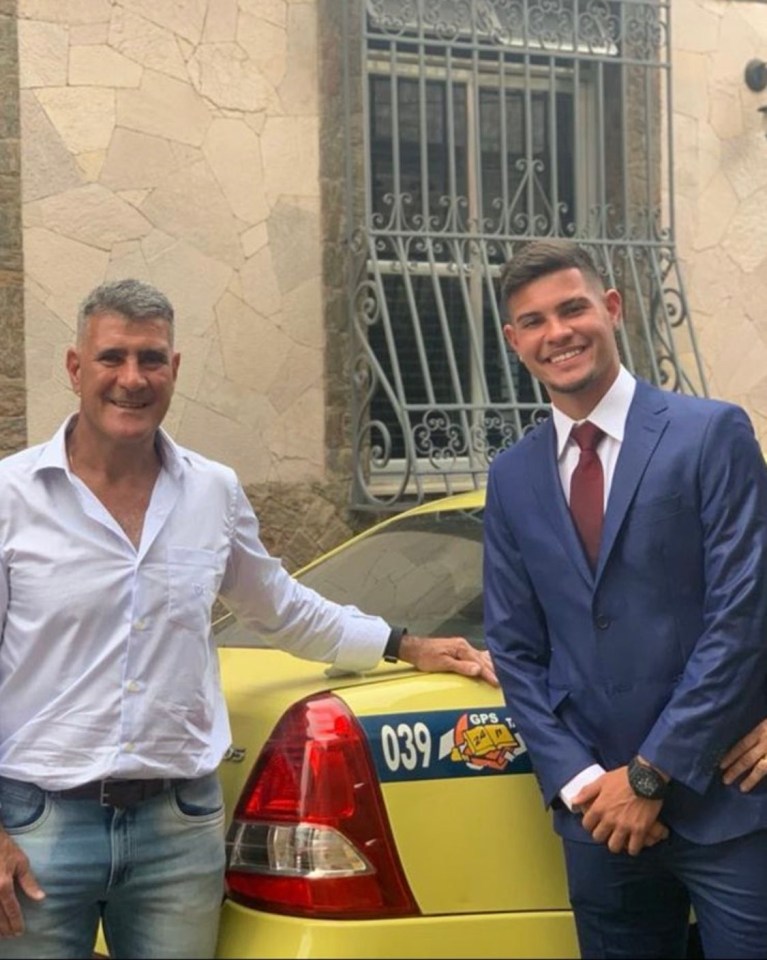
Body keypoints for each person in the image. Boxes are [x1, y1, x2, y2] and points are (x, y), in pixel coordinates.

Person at [0, 278, 497, 960]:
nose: (131, 379)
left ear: (174, 370)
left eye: (151, 359)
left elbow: (283, 609)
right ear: (74, 367)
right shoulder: (11, 497)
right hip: (38, 824)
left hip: (176, 830)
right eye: (112, 357)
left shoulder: (212, 491)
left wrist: (403, 644)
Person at [483, 238, 767, 959]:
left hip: (727, 808)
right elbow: (515, 649)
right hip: (597, 824)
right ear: (514, 341)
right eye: (534, 320)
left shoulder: (709, 434)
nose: (558, 333)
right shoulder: (511, 477)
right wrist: (582, 784)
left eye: (572, 308)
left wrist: (649, 773)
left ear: (611, 308)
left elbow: (740, 616)